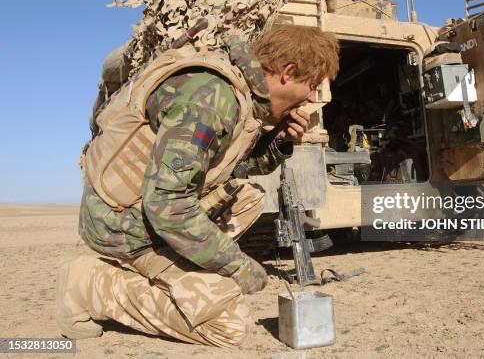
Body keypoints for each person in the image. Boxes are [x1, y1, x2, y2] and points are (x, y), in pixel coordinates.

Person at [57, 25, 339, 347]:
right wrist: (235, 263)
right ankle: (90, 286)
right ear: (288, 73)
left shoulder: (243, 101)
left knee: (248, 198)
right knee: (229, 325)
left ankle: (175, 273)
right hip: (123, 227)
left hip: (145, 216)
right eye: (312, 85)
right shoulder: (212, 98)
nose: (313, 98)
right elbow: (168, 205)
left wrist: (280, 141)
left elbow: (232, 168)